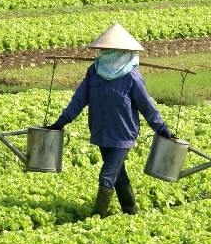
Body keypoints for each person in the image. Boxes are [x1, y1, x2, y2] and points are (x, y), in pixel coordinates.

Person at [47, 23, 174, 217]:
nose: (104, 52)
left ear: (120, 50)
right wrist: (61, 122)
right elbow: (79, 99)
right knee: (118, 174)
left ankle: (98, 216)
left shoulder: (131, 76)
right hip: (101, 131)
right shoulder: (94, 71)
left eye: (108, 49)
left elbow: (147, 106)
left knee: (106, 176)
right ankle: (131, 210)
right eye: (103, 49)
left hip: (122, 134)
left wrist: (162, 129)